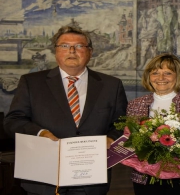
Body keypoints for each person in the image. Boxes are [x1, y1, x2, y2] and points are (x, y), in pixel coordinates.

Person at [4, 25, 128, 195]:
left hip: (91, 180)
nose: (71, 50)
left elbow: (122, 122)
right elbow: (13, 120)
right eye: (64, 46)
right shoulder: (31, 83)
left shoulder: (111, 85)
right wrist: (41, 133)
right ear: (56, 52)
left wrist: (111, 138)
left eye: (79, 46)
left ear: (90, 52)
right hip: (43, 179)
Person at [125, 53, 180, 195]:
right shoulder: (135, 105)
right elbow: (130, 140)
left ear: (178, 76)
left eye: (167, 73)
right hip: (146, 180)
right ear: (148, 76)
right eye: (155, 73)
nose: (160, 78)